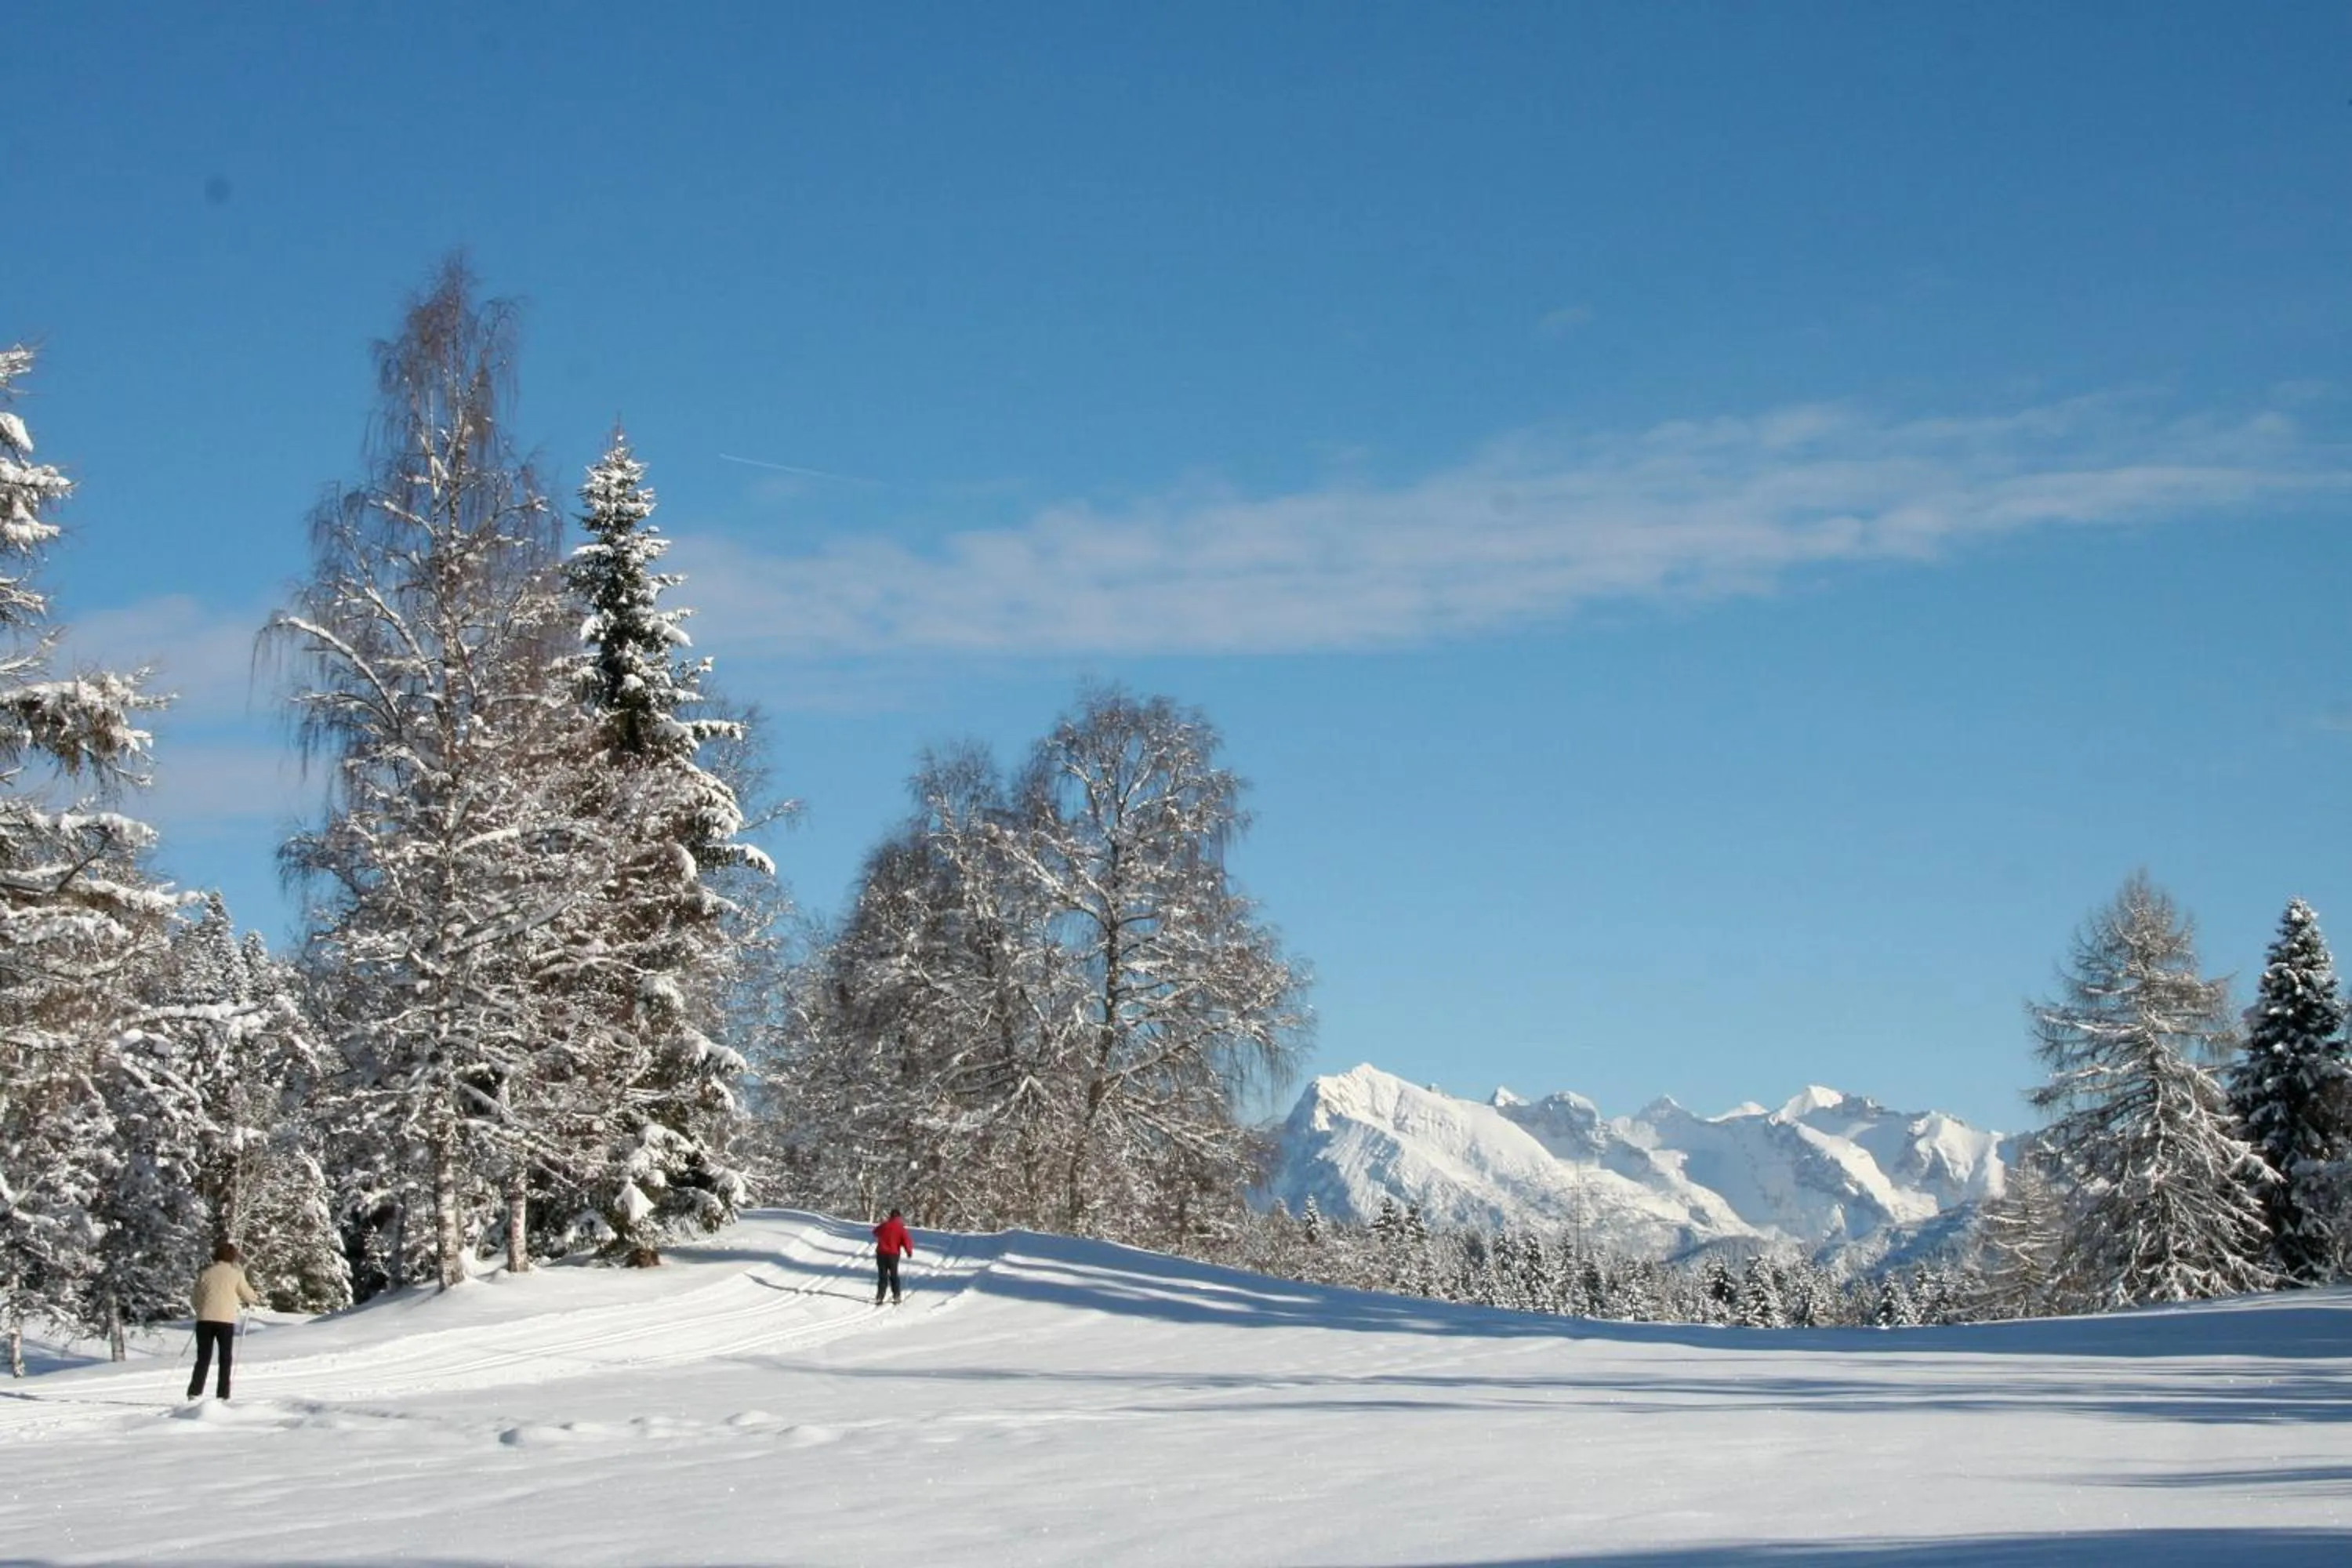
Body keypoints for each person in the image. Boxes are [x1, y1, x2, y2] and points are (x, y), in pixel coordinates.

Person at [188, 1240, 262, 1401]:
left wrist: (200, 1310)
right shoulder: (236, 1274)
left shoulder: (205, 1273)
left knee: (203, 1358)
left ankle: (194, 1392)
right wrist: (254, 1298)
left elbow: (194, 1297)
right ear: (233, 1257)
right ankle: (223, 1394)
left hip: (205, 1319)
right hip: (225, 1321)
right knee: (225, 1358)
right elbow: (248, 1295)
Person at [872, 1208, 914, 1305]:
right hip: (893, 1255)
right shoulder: (901, 1228)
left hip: (881, 1254)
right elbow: (906, 1241)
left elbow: (875, 1232)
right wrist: (909, 1251)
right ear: (899, 1217)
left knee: (882, 1276)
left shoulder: (884, 1225)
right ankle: (896, 1296)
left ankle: (880, 1297)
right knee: (894, 1275)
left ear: (891, 1216)